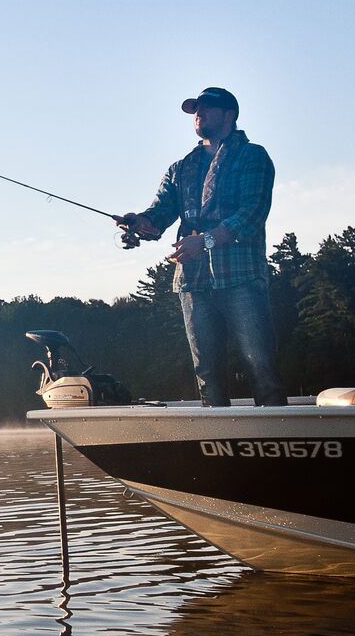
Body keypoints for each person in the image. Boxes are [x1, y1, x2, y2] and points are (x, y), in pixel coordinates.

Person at [117, 85, 288, 407]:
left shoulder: (253, 156)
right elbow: (160, 214)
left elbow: (251, 215)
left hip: (241, 277)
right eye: (195, 109)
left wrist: (204, 241)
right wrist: (139, 222)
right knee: (206, 370)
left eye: (206, 108)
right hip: (193, 282)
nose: (198, 114)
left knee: (260, 364)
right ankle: (220, 443)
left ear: (229, 114)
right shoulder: (181, 168)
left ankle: (278, 439)